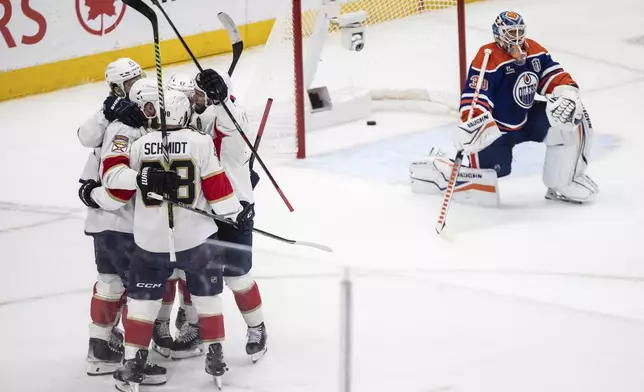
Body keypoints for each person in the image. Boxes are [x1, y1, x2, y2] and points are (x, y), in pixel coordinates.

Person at [101, 87, 250, 390]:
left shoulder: (140, 145)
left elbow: (112, 184)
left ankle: (133, 360)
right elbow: (217, 186)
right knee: (207, 298)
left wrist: (142, 176)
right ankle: (215, 354)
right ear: (183, 113)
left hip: (150, 241)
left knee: (142, 302)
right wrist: (234, 213)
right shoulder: (201, 142)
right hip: (196, 239)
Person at [410, 11, 598, 206]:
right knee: (484, 188)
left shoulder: (535, 50)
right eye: (510, 33)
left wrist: (566, 92)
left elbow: (552, 74)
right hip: (497, 130)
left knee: (570, 119)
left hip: (526, 119)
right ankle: (438, 169)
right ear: (498, 34)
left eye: (519, 32)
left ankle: (562, 182)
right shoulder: (488, 57)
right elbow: (476, 95)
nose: (516, 38)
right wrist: (474, 123)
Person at [165, 70, 268, 362]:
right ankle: (198, 329)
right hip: (201, 214)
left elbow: (232, 127)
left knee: (238, 278)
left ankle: (257, 328)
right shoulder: (196, 119)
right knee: (199, 279)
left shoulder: (232, 124)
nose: (192, 98)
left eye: (198, 93)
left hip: (234, 213)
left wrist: (222, 100)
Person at [78, 58, 147, 376]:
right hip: (120, 220)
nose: (137, 86)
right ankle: (136, 358)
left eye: (139, 78)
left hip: (104, 221)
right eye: (129, 83)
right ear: (117, 88)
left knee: (109, 283)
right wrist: (108, 110)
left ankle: (100, 347)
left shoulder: (132, 116)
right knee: (138, 289)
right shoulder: (119, 123)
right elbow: (85, 136)